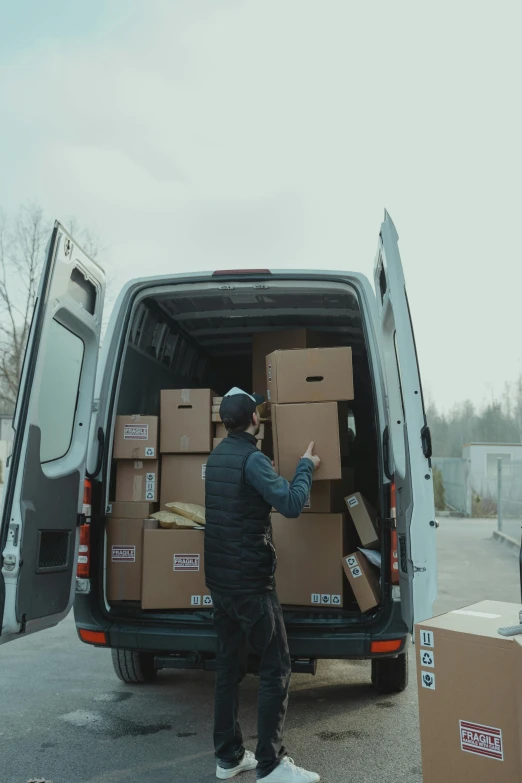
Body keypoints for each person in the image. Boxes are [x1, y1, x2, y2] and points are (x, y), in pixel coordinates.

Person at [205, 387, 321, 782]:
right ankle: (271, 765)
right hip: (251, 585)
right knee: (276, 667)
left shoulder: (218, 455)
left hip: (220, 583)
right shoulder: (252, 460)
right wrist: (305, 466)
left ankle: (229, 757)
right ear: (255, 419)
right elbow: (290, 504)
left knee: (228, 668)